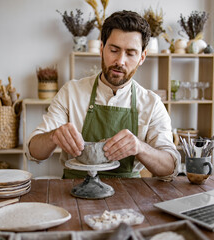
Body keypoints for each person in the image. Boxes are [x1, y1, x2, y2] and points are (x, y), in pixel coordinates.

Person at [27, 10, 180, 180]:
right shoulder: (71, 92)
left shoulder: (152, 103)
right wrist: (53, 136)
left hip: (129, 197)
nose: (120, 61)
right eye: (114, 50)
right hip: (74, 190)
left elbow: (171, 167)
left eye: (130, 53)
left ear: (142, 57)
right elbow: (33, 152)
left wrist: (140, 147)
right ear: (101, 49)